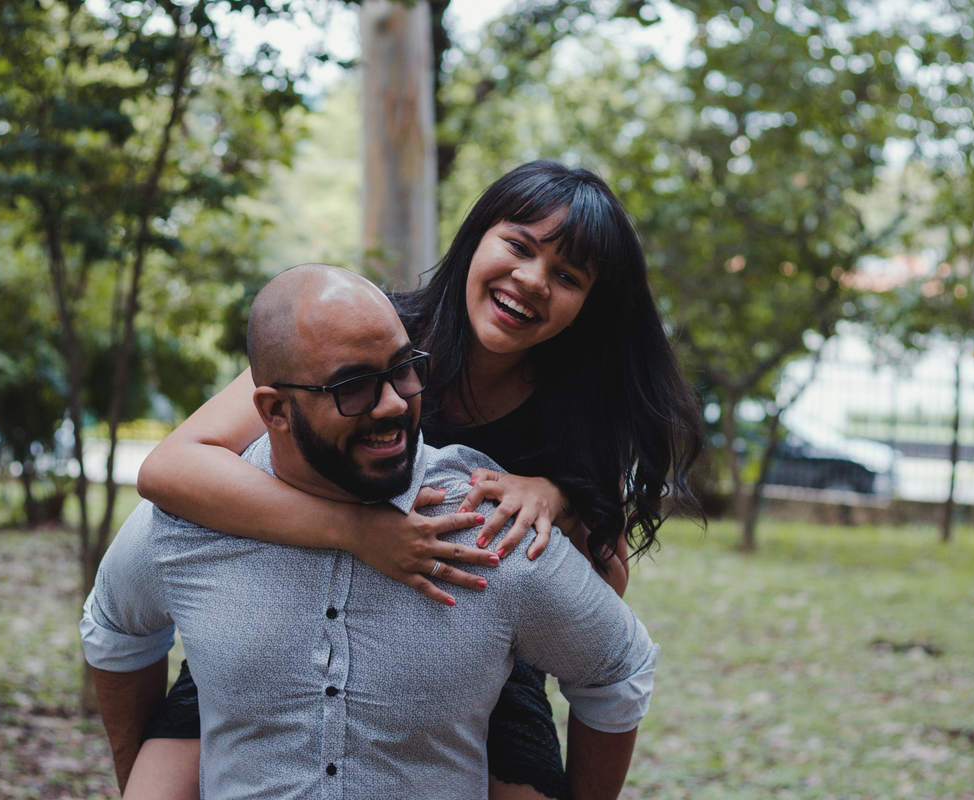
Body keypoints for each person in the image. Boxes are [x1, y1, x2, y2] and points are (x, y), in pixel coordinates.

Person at [134, 161, 705, 799]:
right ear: (475, 240)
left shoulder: (578, 414)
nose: (533, 280)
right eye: (519, 246)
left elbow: (605, 599)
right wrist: (360, 531)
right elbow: (170, 467)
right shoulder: (372, 337)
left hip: (474, 665)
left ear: (586, 308)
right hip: (271, 644)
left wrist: (557, 499)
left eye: (567, 276)